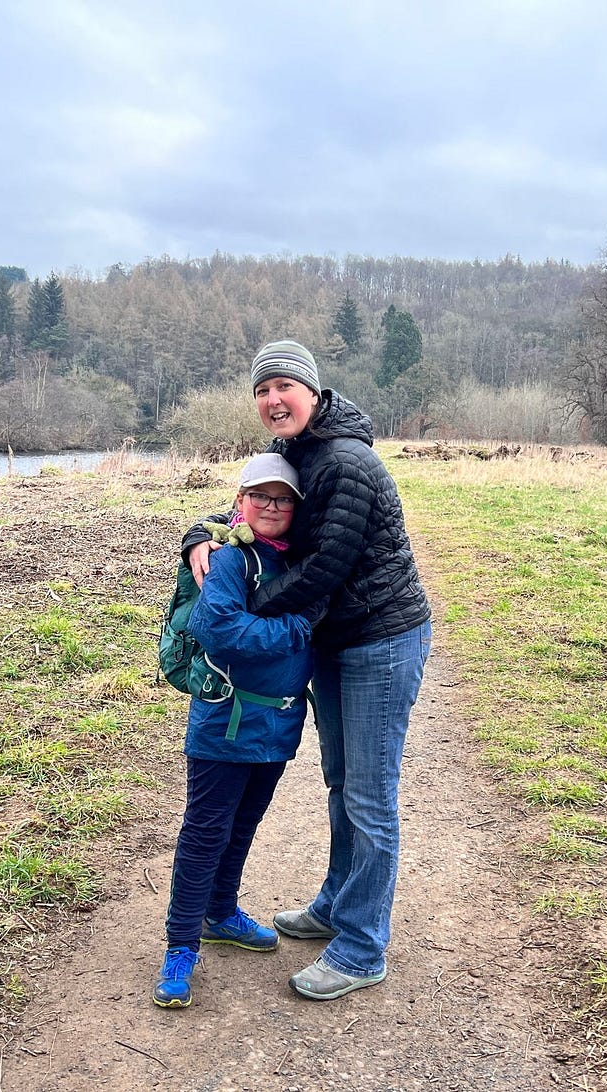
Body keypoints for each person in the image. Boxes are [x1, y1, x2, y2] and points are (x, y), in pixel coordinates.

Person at [184, 339, 432, 1002]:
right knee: (342, 782)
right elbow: (251, 507)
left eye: (284, 386)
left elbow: (324, 568)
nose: (272, 400)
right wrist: (199, 537)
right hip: (338, 641)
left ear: (313, 392)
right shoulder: (299, 453)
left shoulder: (345, 462)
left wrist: (242, 609)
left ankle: (361, 945)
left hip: (380, 639)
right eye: (262, 390)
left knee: (369, 794)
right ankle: (335, 905)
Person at [154, 452, 315, 1009]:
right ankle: (180, 946)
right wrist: (293, 631)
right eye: (261, 497)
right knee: (204, 832)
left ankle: (221, 913)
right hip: (225, 721)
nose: (272, 506)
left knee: (242, 824)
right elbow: (216, 628)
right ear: (240, 503)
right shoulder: (229, 560)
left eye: (283, 499)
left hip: (275, 724)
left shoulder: (298, 560)